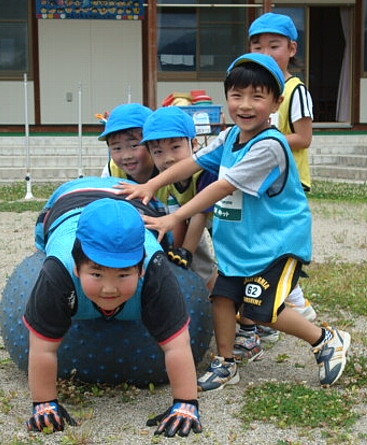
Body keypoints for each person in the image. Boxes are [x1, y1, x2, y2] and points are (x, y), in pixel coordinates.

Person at [115, 53, 351, 391]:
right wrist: (150, 184)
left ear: (276, 102)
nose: (245, 105)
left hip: (275, 244)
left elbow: (222, 187)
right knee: (223, 299)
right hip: (241, 245)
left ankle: (327, 339)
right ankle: (225, 363)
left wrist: (175, 216)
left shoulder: (269, 145)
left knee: (259, 309)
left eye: (257, 96)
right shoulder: (228, 138)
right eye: (237, 95)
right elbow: (193, 162)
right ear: (226, 98)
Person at [23, 176, 202, 437]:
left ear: (140, 270)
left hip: (136, 204)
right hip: (67, 201)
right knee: (41, 240)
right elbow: (42, 347)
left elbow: (177, 344)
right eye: (96, 275)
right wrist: (43, 403)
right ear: (76, 268)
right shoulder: (58, 272)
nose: (109, 289)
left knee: (167, 236)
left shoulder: (155, 270)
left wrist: (186, 403)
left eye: (122, 275)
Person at [234, 12, 317, 361]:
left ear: (291, 48)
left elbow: (304, 137)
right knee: (258, 251)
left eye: (274, 45)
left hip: (287, 186)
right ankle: (265, 313)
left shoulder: (294, 90)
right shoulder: (255, 90)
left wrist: (262, 140)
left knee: (274, 253)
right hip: (259, 186)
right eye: (257, 45)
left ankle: (295, 308)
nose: (265, 51)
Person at [140, 106, 218, 291]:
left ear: (195, 144)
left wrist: (185, 252)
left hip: (237, 226)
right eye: (158, 152)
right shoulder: (164, 180)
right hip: (208, 224)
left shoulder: (205, 172)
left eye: (175, 147)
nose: (168, 158)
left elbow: (200, 214)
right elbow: (177, 214)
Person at [99, 103, 157, 184]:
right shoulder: (111, 172)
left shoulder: (168, 167)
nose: (126, 156)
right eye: (117, 148)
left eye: (134, 145)